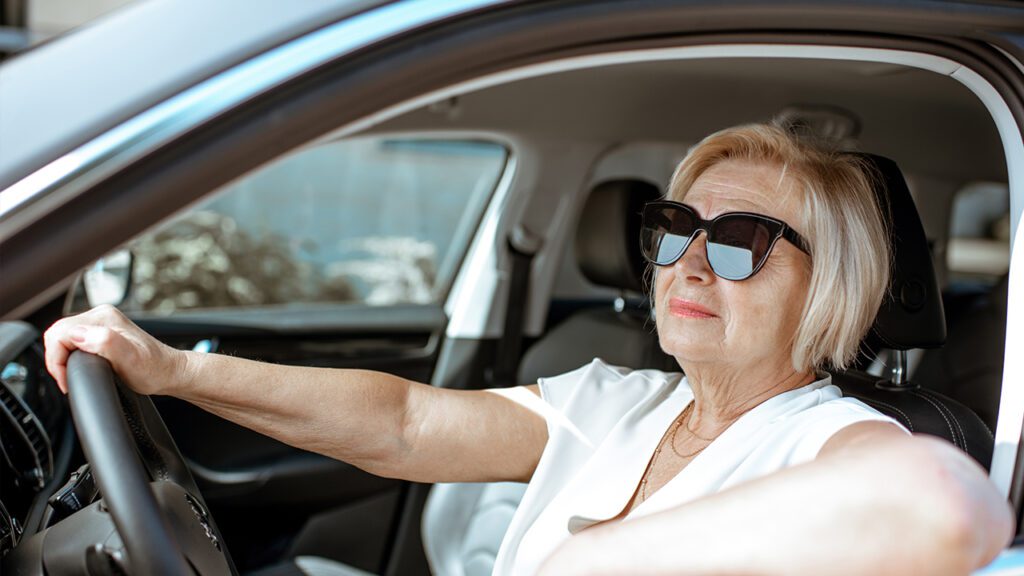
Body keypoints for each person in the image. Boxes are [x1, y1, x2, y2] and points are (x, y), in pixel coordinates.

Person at [44, 123, 1012, 575]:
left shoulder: (825, 440)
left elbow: (946, 507)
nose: (689, 264)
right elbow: (407, 422)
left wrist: (592, 566)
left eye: (740, 240)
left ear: (829, 285)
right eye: (677, 227)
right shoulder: (618, 399)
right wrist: (170, 369)